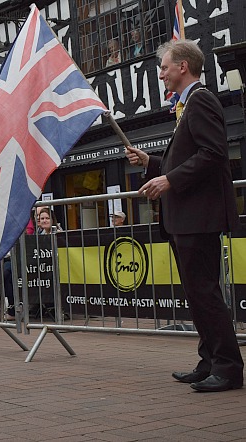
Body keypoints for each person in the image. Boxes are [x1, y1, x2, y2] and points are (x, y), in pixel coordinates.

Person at [125, 39, 243, 392]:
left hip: (199, 218)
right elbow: (185, 159)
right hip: (186, 218)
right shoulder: (186, 104)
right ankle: (209, 361)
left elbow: (213, 153)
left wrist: (169, 179)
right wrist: (151, 164)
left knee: (205, 293)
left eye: (164, 67)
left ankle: (228, 367)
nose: (160, 73)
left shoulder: (201, 99)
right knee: (197, 294)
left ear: (183, 67)